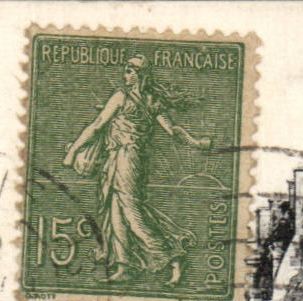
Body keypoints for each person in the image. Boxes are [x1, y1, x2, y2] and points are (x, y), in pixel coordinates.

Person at [61, 53, 211, 284]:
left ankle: (172, 255)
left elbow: (99, 124)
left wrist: (73, 151)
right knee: (115, 210)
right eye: (126, 70)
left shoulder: (125, 97)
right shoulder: (150, 101)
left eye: (130, 71)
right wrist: (196, 142)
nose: (126, 74)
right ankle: (124, 265)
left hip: (128, 157)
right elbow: (173, 130)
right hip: (118, 158)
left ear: (140, 74)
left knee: (131, 211)